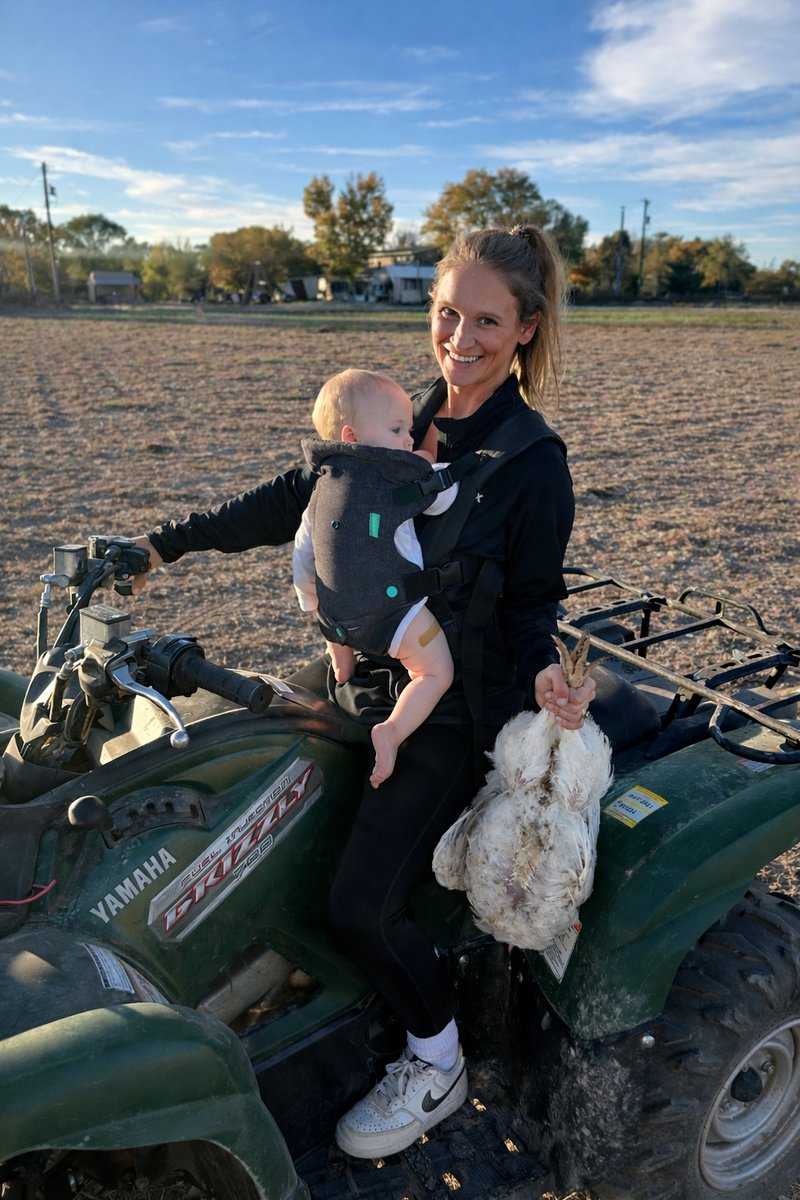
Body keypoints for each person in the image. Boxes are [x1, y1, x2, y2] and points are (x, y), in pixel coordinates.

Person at [131, 223, 596, 1161]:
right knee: (242, 779)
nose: (460, 339)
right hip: (363, 669)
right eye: (446, 314)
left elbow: (535, 598)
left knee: (359, 906)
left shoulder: (530, 460)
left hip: (447, 708)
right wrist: (159, 544)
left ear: (529, 330)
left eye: (487, 323)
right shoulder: (404, 414)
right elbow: (297, 499)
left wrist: (546, 668)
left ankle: (436, 1055)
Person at [292, 368, 458, 788]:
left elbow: (303, 553)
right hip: (390, 615)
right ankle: (393, 731)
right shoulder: (392, 475)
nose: (407, 439)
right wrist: (428, 464)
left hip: (335, 616)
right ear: (352, 436)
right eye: (398, 428)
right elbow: (444, 498)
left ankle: (342, 662)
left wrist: (312, 603)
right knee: (436, 672)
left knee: (336, 625)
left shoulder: (323, 485)